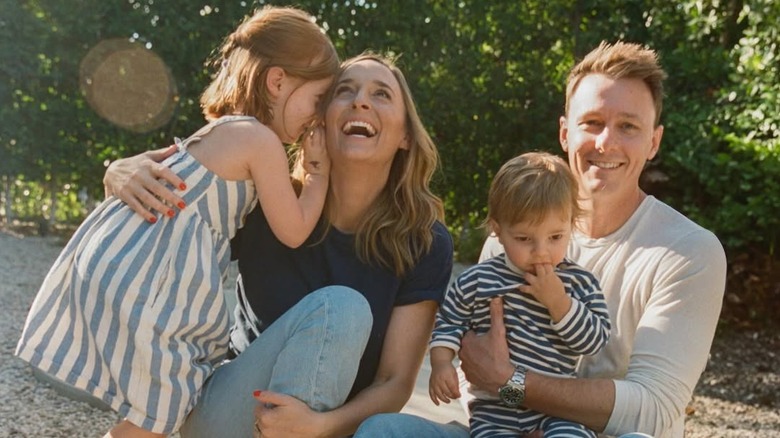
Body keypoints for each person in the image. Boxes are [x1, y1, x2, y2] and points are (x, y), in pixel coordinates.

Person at [355, 41, 727, 438]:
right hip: (506, 429)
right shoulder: (510, 238)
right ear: (565, 133)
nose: (605, 143)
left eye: (628, 126)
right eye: (593, 123)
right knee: (383, 430)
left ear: (654, 141)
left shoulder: (689, 251)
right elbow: (477, 370)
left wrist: (515, 385)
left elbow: (651, 412)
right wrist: (508, 406)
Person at [15, 6, 339, 437]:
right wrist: (317, 173)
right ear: (277, 81)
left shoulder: (218, 130)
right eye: (317, 100)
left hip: (127, 259)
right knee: (161, 409)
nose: (315, 118)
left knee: (148, 413)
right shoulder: (260, 142)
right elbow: (294, 230)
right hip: (157, 284)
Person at [101, 52, 454, 437]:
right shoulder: (269, 201)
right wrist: (119, 172)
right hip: (230, 414)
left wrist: (320, 425)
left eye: (381, 94)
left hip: (328, 429)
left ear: (405, 135)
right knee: (344, 308)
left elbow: (394, 383)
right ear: (319, 122)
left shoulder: (424, 241)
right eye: (345, 91)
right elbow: (171, 231)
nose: (361, 101)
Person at [428, 152, 611, 437]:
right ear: (498, 231)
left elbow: (594, 341)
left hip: (554, 410)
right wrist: (441, 364)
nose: (541, 251)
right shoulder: (477, 281)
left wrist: (559, 303)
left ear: (571, 225)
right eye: (524, 239)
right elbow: (448, 323)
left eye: (555, 237)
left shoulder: (579, 283)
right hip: (494, 411)